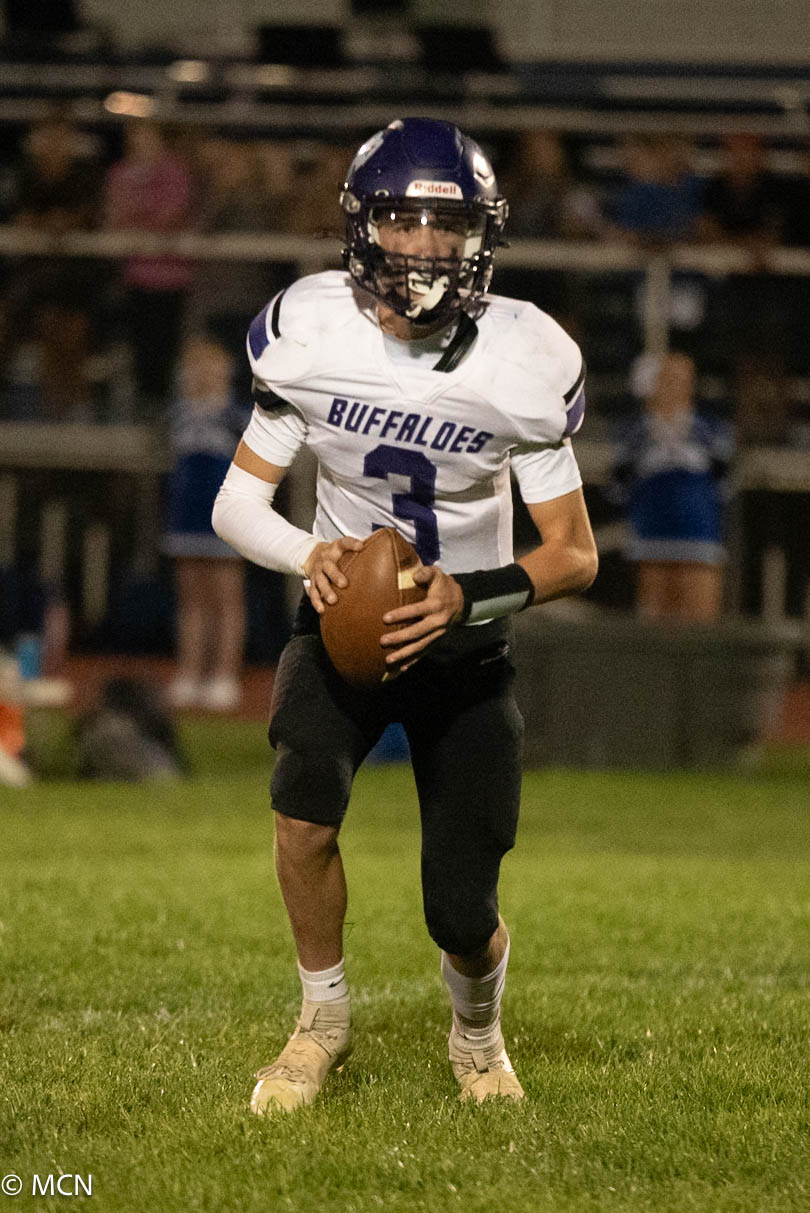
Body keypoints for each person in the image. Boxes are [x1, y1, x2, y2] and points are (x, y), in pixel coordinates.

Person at [212, 117, 598, 1113]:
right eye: (402, 220)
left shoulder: (522, 357)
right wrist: (311, 554)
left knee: (462, 908)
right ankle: (321, 1019)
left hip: (465, 644)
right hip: (339, 627)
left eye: (447, 224)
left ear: (482, 236)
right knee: (302, 813)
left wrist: (469, 595)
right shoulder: (312, 332)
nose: (424, 244)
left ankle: (478, 1033)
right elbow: (236, 504)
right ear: (362, 227)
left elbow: (574, 552)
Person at [611, 352, 734, 622]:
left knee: (699, 623)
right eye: (667, 380)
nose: (675, 387)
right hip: (651, 538)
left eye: (683, 380)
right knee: (654, 623)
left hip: (699, 538)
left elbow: (725, 483)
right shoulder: (633, 433)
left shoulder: (712, 430)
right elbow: (618, 486)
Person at [164, 337, 248, 712]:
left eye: (211, 371)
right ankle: (190, 672)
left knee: (227, 599)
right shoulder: (178, 414)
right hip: (186, 516)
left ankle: (225, 675)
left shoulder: (235, 415)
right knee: (191, 600)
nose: (202, 378)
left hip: (225, 514)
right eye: (194, 371)